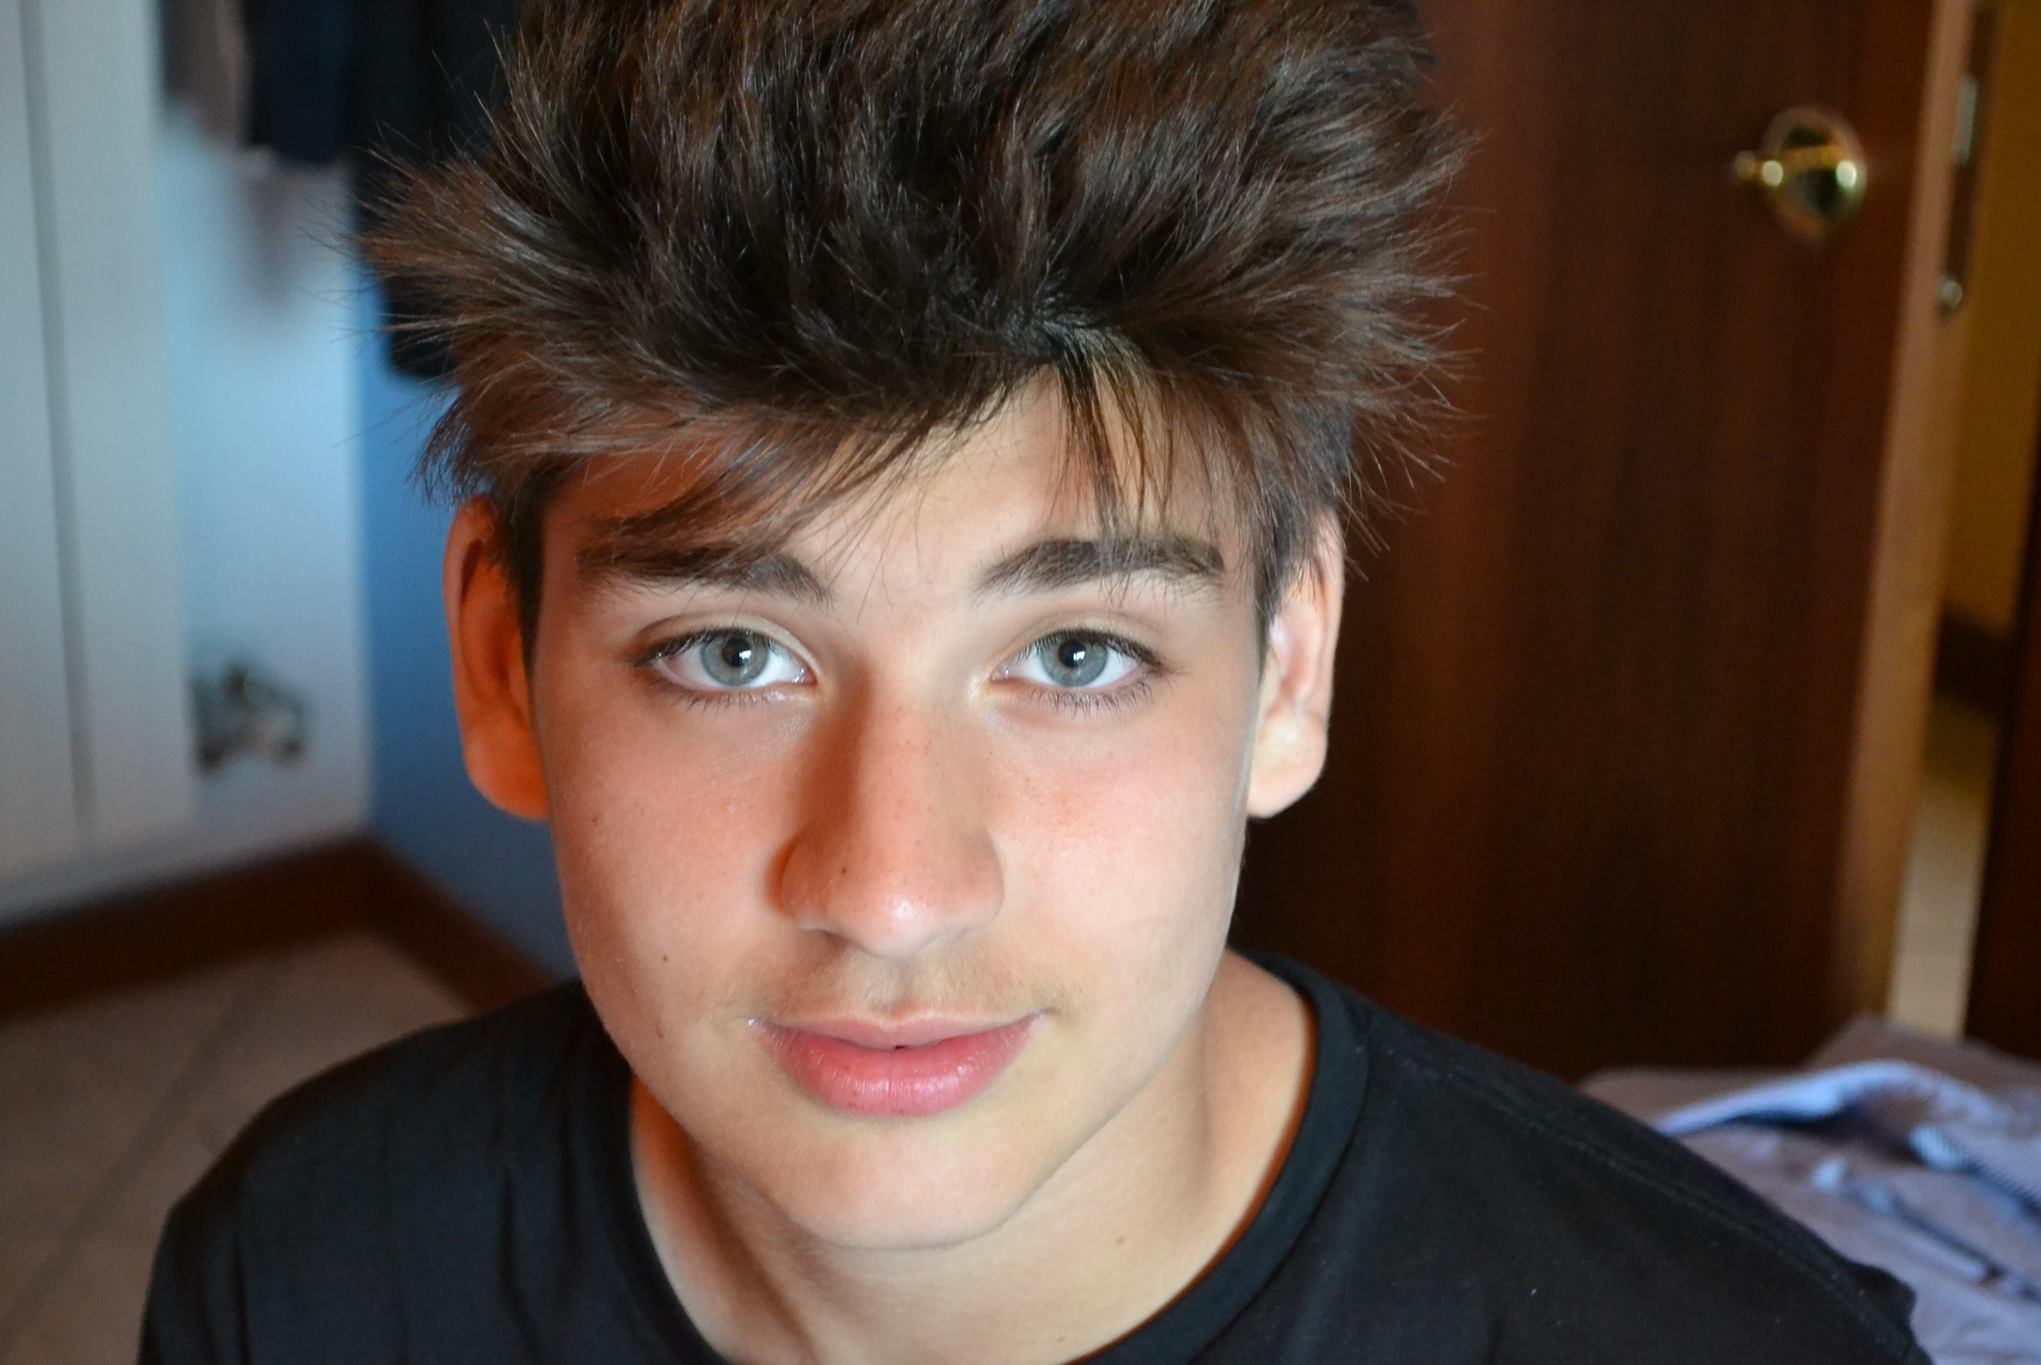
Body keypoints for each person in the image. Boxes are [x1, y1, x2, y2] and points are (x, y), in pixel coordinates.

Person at [141, 2, 1930, 1361]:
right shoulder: (297, 1285)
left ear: (1288, 663)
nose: (895, 889)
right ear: (501, 665)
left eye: (1078, 655)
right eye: (733, 652)